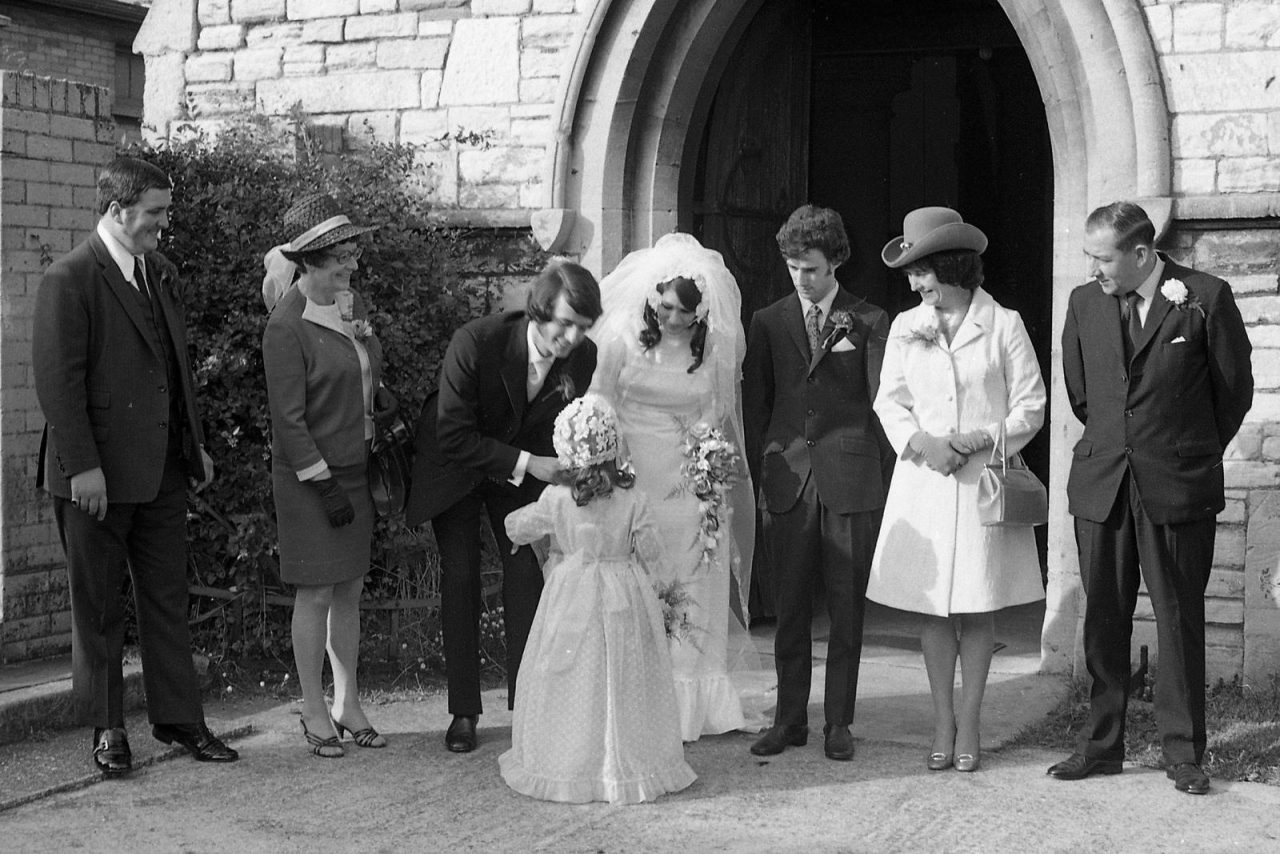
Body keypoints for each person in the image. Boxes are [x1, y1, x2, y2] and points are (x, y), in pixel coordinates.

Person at [32, 156, 239, 776]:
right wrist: (82, 469)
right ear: (117, 210)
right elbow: (58, 384)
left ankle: (179, 719)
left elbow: (172, 369)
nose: (163, 224)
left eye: (165, 212)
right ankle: (108, 729)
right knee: (98, 608)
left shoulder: (160, 272)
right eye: (155, 213)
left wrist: (193, 444)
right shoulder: (69, 278)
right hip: (93, 477)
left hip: (162, 471)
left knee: (166, 598)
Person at [1049, 201, 1253, 795]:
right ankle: (1101, 745)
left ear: (1141, 254)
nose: (1093, 270)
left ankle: (1183, 753)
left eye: (1102, 258)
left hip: (1177, 485)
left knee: (1179, 618)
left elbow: (1232, 393)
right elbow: (1082, 394)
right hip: (1104, 484)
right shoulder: (1083, 303)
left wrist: (1183, 451)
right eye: (1088, 257)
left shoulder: (1205, 297)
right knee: (1103, 617)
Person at [868, 206, 1047, 773]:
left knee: (977, 602)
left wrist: (978, 438)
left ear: (949, 267)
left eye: (921, 272)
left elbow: (1032, 405)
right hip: (925, 479)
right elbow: (889, 401)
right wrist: (924, 443)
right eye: (911, 275)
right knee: (934, 608)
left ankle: (970, 720)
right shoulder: (906, 326)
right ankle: (941, 720)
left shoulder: (1004, 324)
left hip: (980, 482)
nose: (914, 284)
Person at [405, 259, 601, 753]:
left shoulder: (583, 357)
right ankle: (464, 712)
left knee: (527, 574)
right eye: (565, 324)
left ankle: (528, 706)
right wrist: (530, 464)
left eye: (583, 327)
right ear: (539, 311)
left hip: (518, 470)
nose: (573, 338)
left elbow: (558, 427)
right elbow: (453, 434)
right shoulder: (476, 341)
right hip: (455, 464)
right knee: (461, 576)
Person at [588, 232, 759, 741]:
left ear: (701, 311)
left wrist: (709, 468)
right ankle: (637, 697)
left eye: (685, 311)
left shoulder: (711, 353)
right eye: (666, 307)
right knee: (638, 580)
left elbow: (715, 414)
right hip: (634, 479)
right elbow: (599, 401)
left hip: (688, 485)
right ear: (652, 299)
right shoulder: (621, 340)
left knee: (689, 582)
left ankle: (690, 702)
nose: (674, 319)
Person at [743, 205, 890, 761]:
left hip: (850, 478)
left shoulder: (869, 319)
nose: (801, 278)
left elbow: (881, 406)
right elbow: (757, 405)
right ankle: (789, 720)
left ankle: (838, 723)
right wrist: (766, 468)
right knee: (789, 606)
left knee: (847, 606)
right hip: (789, 481)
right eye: (793, 267)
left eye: (811, 268)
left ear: (835, 262)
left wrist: (872, 471)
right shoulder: (768, 320)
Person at [500, 394, 697, 804]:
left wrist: (517, 529)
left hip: (571, 591)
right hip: (623, 590)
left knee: (570, 670)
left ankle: (570, 758)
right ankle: (625, 758)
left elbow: (519, 526)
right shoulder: (632, 497)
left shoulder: (558, 498)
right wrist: (662, 588)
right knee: (624, 672)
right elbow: (653, 552)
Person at [262, 194, 397, 757]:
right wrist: (323, 485)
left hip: (356, 469)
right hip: (310, 480)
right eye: (342, 256)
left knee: (350, 588)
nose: (352, 264)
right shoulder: (285, 327)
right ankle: (314, 709)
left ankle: (348, 703)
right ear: (311, 260)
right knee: (315, 590)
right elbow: (289, 424)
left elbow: (363, 368)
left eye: (353, 253)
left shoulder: (350, 303)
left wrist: (377, 397)